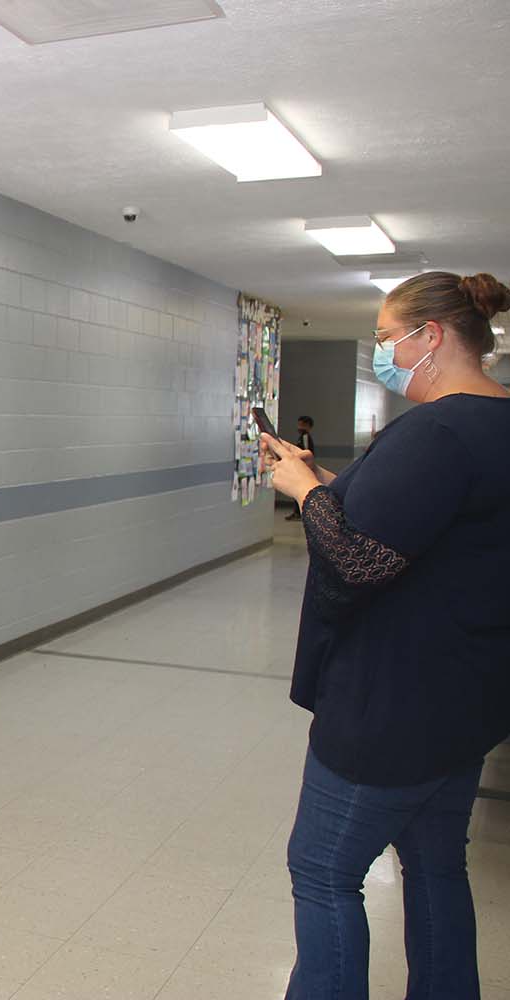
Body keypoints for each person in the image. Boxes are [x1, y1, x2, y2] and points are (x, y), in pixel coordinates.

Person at [262, 271, 510, 999]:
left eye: (385, 339)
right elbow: (416, 522)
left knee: (324, 871)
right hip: (466, 702)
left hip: (394, 706)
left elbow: (359, 560)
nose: (383, 353)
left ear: (430, 336)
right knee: (436, 864)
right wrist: (329, 482)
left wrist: (305, 492)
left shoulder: (436, 428)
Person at [283, 416, 316, 520]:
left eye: (301, 425)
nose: (299, 427)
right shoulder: (301, 436)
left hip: (303, 467)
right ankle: (297, 512)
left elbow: (306, 452)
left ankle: (299, 512)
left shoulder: (305, 436)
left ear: (307, 426)